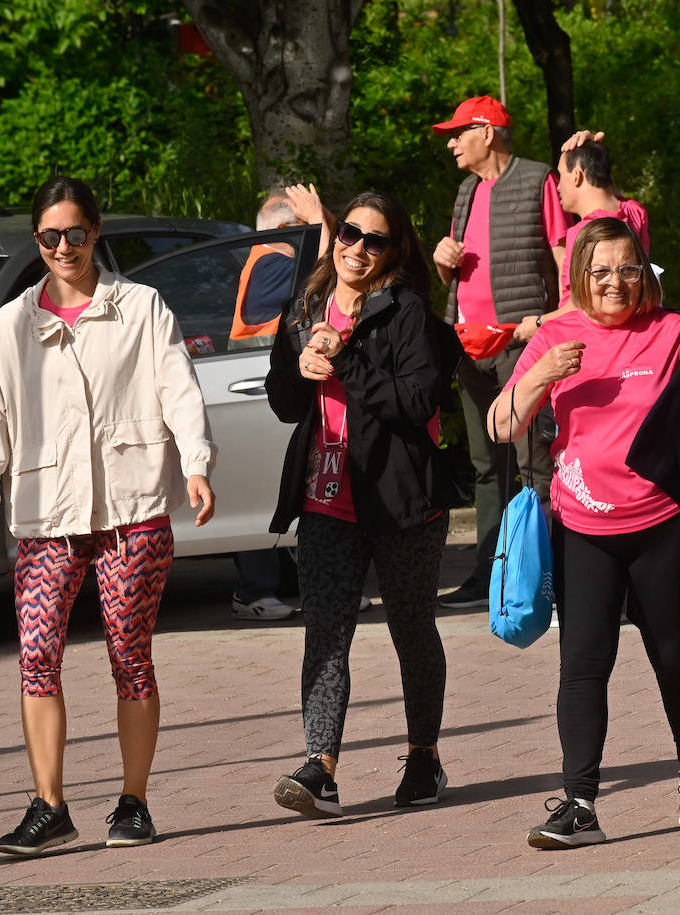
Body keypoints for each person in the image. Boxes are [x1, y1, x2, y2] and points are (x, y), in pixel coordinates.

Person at [0, 176, 216, 855]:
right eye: (50, 236)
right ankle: (49, 804)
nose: (63, 247)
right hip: (47, 514)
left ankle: (133, 802)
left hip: (131, 510)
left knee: (129, 654)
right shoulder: (13, 325)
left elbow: (177, 387)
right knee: (37, 653)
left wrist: (195, 461)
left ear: (95, 231)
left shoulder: (140, 307)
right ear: (36, 240)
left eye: (75, 232)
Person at [489, 217, 680, 848]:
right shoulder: (555, 335)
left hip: (663, 525)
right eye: (601, 271)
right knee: (582, 664)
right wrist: (538, 376)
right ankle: (580, 804)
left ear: (645, 274)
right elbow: (501, 426)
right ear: (579, 275)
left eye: (628, 270)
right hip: (581, 525)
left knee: (674, 658)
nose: (615, 283)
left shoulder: (672, 331)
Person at [266, 190, 465, 817]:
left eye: (374, 240)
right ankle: (320, 766)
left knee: (412, 632)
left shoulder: (404, 311)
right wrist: (299, 370)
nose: (357, 248)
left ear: (393, 251)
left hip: (399, 499)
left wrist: (347, 358)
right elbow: (284, 403)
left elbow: (415, 402)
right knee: (326, 634)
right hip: (325, 495)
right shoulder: (304, 306)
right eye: (350, 233)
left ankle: (425, 757)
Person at [432, 95, 568, 610]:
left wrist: (554, 326)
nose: (451, 142)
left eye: (458, 132)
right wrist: (443, 262)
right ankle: (490, 576)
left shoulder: (538, 180)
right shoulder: (466, 189)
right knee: (485, 465)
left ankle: (546, 578)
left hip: (520, 344)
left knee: (533, 463)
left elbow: (562, 260)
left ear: (487, 132)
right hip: (469, 347)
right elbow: (457, 268)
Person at [228, 189, 316, 622]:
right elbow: (328, 277)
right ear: (287, 228)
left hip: (264, 380)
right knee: (263, 488)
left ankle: (311, 584)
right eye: (305, 226)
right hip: (258, 384)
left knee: (278, 484)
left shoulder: (261, 260)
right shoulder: (276, 263)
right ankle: (254, 589)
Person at [554, 139, 650, 307]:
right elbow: (611, 196)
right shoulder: (635, 212)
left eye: (560, 175)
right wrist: (595, 152)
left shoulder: (582, 234)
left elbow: (578, 306)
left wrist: (539, 322)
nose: (558, 186)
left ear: (577, 176)